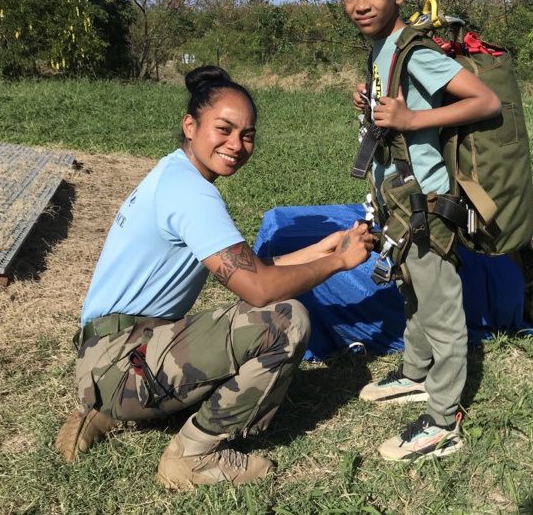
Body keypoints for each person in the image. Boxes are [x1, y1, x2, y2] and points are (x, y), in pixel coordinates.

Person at [55, 66, 374, 489]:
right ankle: (190, 456)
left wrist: (323, 249)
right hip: (121, 360)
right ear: (191, 126)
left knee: (248, 321)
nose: (237, 145)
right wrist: (338, 264)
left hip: (116, 349)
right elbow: (258, 288)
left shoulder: (175, 173)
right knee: (285, 321)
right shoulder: (190, 194)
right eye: (224, 129)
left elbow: (252, 270)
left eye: (247, 135)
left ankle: (107, 407)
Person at [337, 0, 502, 461]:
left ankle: (443, 418)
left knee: (442, 310)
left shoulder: (417, 52)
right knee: (412, 292)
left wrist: (411, 121)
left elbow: (485, 100)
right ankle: (415, 373)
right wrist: (373, 101)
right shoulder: (382, 50)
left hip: (426, 205)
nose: (360, 4)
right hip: (397, 199)